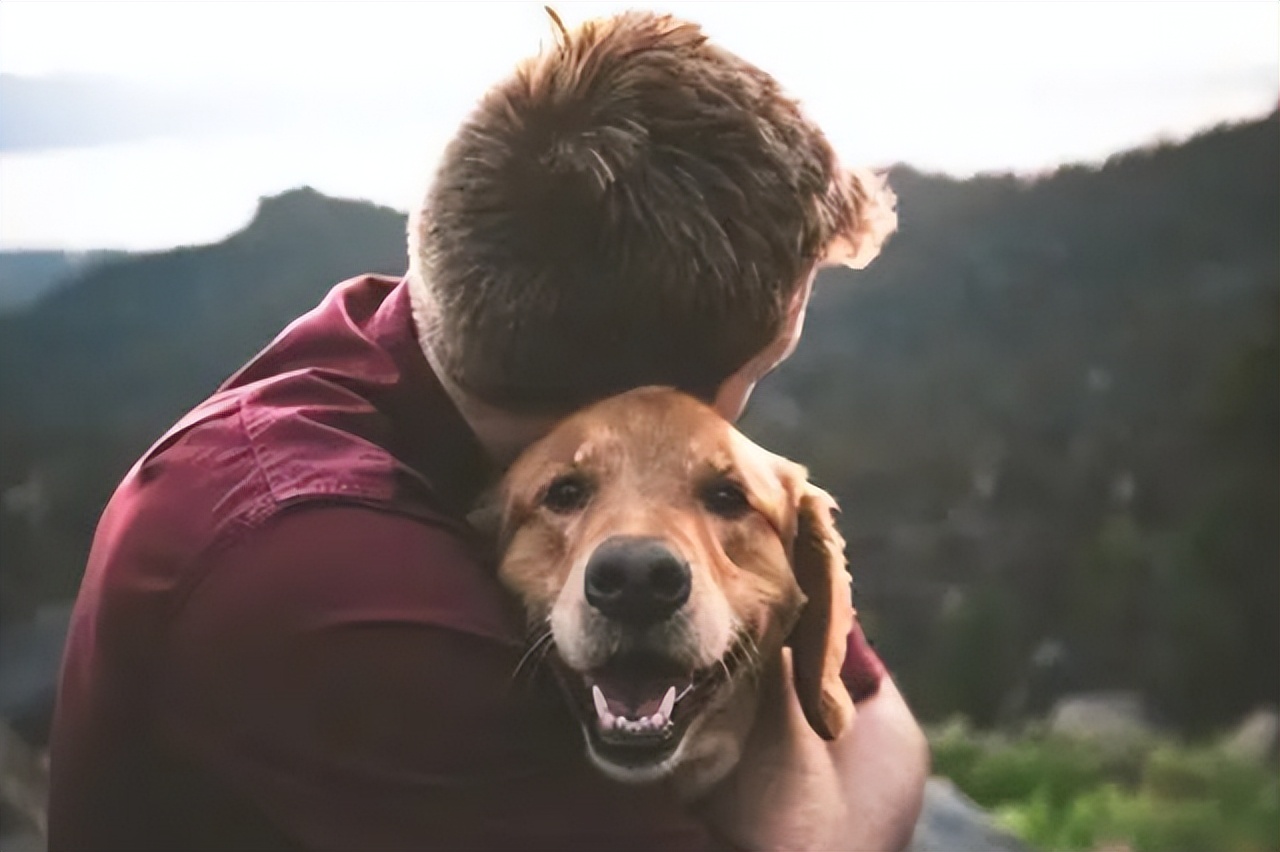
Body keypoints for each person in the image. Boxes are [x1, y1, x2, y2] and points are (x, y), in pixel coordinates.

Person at [48, 11, 928, 852]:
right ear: (647, 393)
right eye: (763, 365)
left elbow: (879, 719)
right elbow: (876, 755)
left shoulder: (439, 352)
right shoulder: (320, 581)